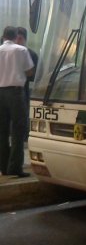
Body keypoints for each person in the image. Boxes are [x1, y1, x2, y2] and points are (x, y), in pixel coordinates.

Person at [0, 26, 35, 177]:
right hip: (16, 93)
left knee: (2, 131)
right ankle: (15, 167)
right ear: (16, 37)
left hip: (0, 93)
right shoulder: (21, 50)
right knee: (18, 131)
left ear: (3, 36)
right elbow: (30, 71)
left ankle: (4, 167)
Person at [16, 27, 38, 146]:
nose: (18, 41)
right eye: (16, 38)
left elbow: (34, 75)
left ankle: (24, 136)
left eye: (20, 38)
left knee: (24, 114)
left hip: (23, 88)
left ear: (24, 39)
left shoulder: (31, 54)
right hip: (12, 89)